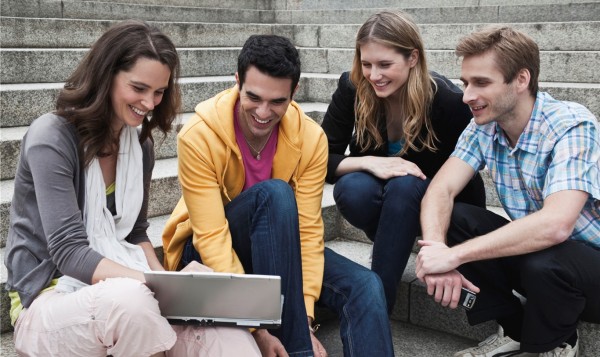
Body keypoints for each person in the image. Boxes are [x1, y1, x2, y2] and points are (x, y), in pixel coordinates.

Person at [4, 20, 260, 356]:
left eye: (159, 92)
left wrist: (173, 286)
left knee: (230, 339)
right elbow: (69, 252)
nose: (150, 103)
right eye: (138, 88)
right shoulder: (51, 137)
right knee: (131, 303)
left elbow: (137, 233)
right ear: (106, 76)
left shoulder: (140, 145)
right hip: (48, 300)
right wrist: (154, 284)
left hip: (125, 292)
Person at [162, 34, 394, 356]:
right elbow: (211, 238)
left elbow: (309, 230)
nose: (263, 112)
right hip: (206, 255)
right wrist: (257, 328)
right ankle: (298, 350)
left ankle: (296, 334)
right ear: (237, 82)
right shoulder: (198, 136)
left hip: (279, 249)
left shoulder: (311, 139)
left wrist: (305, 317)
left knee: (366, 286)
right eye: (253, 97)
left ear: (294, 93)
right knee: (273, 195)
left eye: (277, 102)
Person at [416, 26, 600, 357]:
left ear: (521, 80)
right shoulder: (484, 126)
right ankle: (515, 327)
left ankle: (554, 342)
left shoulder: (571, 125)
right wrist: (435, 250)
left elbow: (556, 225)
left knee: (546, 261)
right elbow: (439, 190)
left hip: (591, 268)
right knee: (456, 219)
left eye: (481, 83)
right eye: (466, 83)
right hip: (543, 257)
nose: (467, 96)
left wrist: (456, 256)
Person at [321, 10, 486, 313]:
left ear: (412, 58)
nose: (373, 75)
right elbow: (320, 158)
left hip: (442, 203)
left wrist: (448, 249)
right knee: (351, 188)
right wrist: (369, 162)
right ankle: (388, 255)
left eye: (385, 64)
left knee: (405, 185)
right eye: (366, 63)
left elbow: (472, 167)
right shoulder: (352, 87)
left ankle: (377, 304)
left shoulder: (447, 100)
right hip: (385, 198)